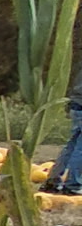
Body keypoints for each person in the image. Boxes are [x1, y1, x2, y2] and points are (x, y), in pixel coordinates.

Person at [49, 65, 82, 195]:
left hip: (76, 104)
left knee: (72, 145)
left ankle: (53, 180)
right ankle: (73, 184)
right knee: (80, 148)